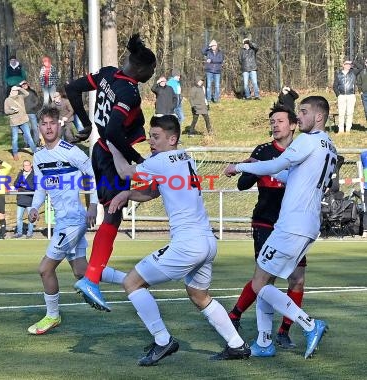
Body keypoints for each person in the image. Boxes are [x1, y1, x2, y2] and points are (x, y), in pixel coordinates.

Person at [107, 114, 250, 365]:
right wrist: (128, 194)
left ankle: (163, 341)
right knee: (198, 295)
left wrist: (110, 143)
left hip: (187, 245)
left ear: (172, 139)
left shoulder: (161, 161)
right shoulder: (185, 156)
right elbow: (153, 191)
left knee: (132, 283)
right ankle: (237, 345)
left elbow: (124, 170)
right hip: (207, 242)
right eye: (150, 136)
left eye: (156, 137)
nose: (151, 141)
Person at [224, 96, 336, 359]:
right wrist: (265, 171)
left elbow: (278, 164)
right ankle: (264, 343)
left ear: (318, 116)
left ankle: (309, 325)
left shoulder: (307, 140)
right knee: (267, 279)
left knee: (260, 282)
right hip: (306, 225)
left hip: (291, 225)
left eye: (304, 112)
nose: (300, 116)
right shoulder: (328, 145)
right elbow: (288, 175)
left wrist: (239, 166)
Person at [66, 34, 156, 311]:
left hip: (101, 151)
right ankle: (91, 279)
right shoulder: (128, 91)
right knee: (115, 215)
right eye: (151, 71)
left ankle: (91, 278)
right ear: (141, 70)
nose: (152, 75)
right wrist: (135, 159)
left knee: (114, 214)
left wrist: (84, 122)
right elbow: (115, 129)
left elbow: (72, 88)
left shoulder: (107, 74)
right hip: (111, 154)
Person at [27, 107, 126, 335]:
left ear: (59, 126)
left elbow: (92, 175)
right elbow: (41, 187)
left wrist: (93, 205)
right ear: (39, 127)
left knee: (45, 269)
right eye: (44, 124)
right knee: (82, 271)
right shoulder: (39, 156)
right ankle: (132, 280)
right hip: (64, 220)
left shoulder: (71, 152)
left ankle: (52, 315)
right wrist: (34, 207)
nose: (48, 127)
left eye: (52, 123)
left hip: (73, 220)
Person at [228, 104, 306, 350]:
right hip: (266, 222)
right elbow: (242, 184)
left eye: (280, 121)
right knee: (265, 278)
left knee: (297, 279)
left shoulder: (304, 150)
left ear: (293, 125)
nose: (275, 125)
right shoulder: (263, 151)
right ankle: (236, 315)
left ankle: (284, 331)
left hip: (294, 226)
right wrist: (253, 166)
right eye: (272, 122)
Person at [4, 85, 37, 161]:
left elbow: (27, 94)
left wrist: (19, 88)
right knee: (14, 139)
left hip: (23, 120)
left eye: (16, 91)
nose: (14, 92)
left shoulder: (20, 97)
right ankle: (15, 153)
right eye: (13, 91)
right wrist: (13, 111)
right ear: (10, 91)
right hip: (14, 122)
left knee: (29, 137)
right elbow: (6, 111)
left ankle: (35, 152)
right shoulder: (7, 100)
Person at [333, 58, 357, 133]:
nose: (348, 66)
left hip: (351, 95)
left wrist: (352, 61)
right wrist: (338, 94)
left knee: (350, 113)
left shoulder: (353, 73)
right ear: (343, 65)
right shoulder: (338, 74)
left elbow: (361, 67)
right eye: (346, 64)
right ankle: (341, 130)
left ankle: (348, 129)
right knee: (341, 113)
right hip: (342, 96)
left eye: (349, 64)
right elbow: (335, 86)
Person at [13, 160, 35, 239]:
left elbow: (35, 187)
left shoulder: (35, 174)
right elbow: (15, 184)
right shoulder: (20, 173)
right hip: (21, 199)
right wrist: (20, 184)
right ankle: (19, 232)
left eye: (27, 165)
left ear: (31, 165)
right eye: (24, 165)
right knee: (19, 217)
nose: (26, 167)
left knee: (31, 217)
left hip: (30, 199)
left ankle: (30, 232)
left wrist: (26, 186)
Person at [20, 80, 42, 146]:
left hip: (32, 113)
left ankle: (37, 142)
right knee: (26, 129)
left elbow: (37, 101)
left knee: (35, 128)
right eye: (23, 85)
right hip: (23, 114)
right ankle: (27, 144)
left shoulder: (32, 92)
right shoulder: (20, 93)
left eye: (25, 84)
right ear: (21, 86)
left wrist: (32, 108)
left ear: (27, 84)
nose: (24, 85)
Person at [355, 58, 367, 124]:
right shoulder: (362, 72)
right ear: (365, 63)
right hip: (364, 94)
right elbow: (359, 82)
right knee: (366, 110)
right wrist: (360, 91)